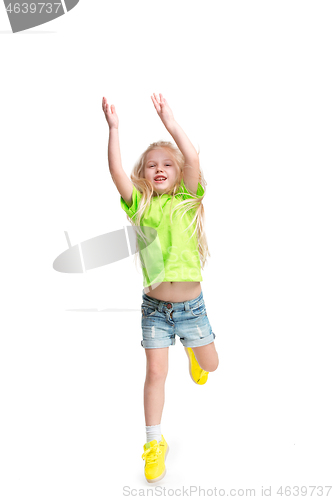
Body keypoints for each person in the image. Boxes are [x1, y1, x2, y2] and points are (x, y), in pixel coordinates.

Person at [102, 93, 219, 483]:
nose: (159, 168)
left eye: (168, 163)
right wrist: (114, 129)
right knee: (155, 374)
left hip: (191, 309)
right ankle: (154, 443)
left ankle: (193, 350)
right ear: (145, 175)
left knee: (211, 365)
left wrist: (171, 123)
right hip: (154, 310)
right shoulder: (141, 205)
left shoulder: (188, 200)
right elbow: (117, 173)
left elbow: (193, 159)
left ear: (179, 171)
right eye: (151, 165)